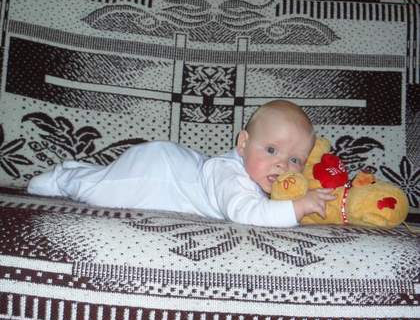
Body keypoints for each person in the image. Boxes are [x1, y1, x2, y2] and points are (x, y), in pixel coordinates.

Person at [27, 100, 335, 228]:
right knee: (100, 192)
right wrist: (298, 207)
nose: (282, 165)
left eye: (294, 159)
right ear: (243, 144)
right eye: (271, 150)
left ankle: (79, 170)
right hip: (155, 173)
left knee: (106, 180)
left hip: (172, 172)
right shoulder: (231, 176)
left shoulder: (259, 177)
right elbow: (246, 213)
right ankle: (64, 177)